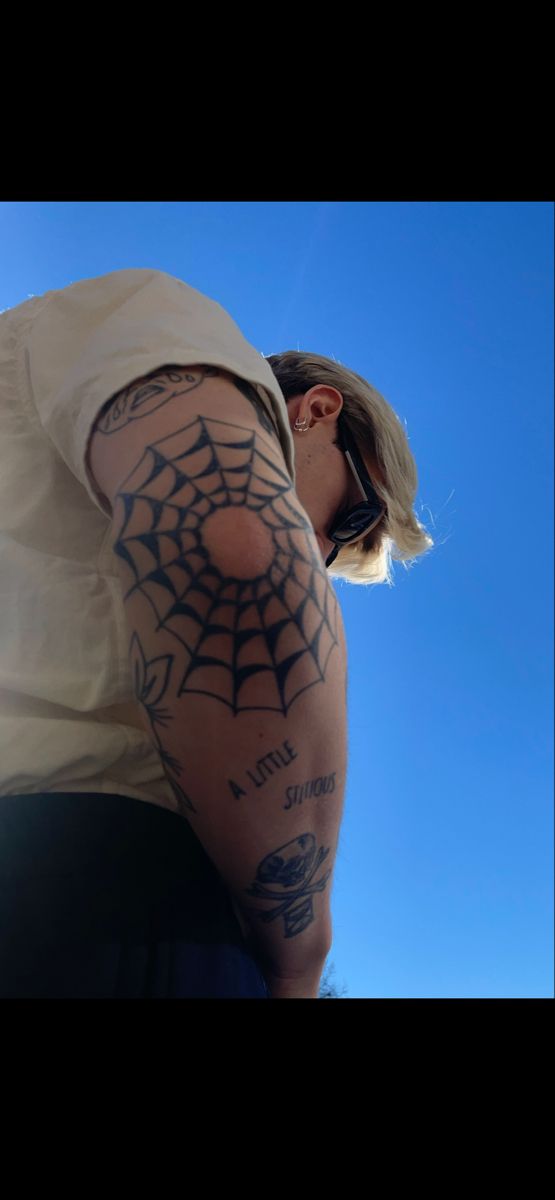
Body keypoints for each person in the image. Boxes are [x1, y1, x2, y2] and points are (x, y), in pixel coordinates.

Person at [0, 268, 433, 998]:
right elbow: (237, 554)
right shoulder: (150, 315)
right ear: (317, 411)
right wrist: (299, 960)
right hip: (110, 905)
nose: (318, 556)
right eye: (350, 522)